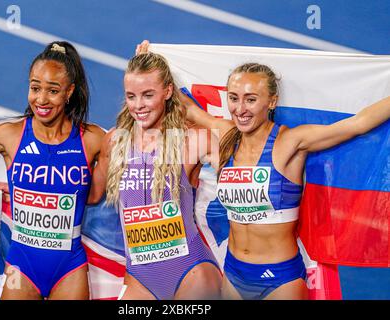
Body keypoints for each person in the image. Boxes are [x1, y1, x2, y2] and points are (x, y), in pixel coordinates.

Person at [136, 40, 390, 300]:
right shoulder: (226, 136)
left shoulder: (290, 142)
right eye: (233, 99)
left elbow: (358, 124)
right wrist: (152, 65)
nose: (240, 109)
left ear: (272, 101)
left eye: (251, 100)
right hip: (234, 274)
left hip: (280, 280)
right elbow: (185, 107)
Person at [0, 41, 105, 300]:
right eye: (35, 88)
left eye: (53, 90)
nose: (41, 99)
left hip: (69, 268)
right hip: (22, 268)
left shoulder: (93, 140)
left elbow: (98, 194)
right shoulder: (10, 136)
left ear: (69, 91)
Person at [88, 52, 222, 300]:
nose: (138, 105)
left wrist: (193, 111)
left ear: (168, 92)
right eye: (131, 96)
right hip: (141, 280)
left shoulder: (191, 140)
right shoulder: (115, 141)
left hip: (191, 273)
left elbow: (244, 150)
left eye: (148, 95)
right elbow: (92, 194)